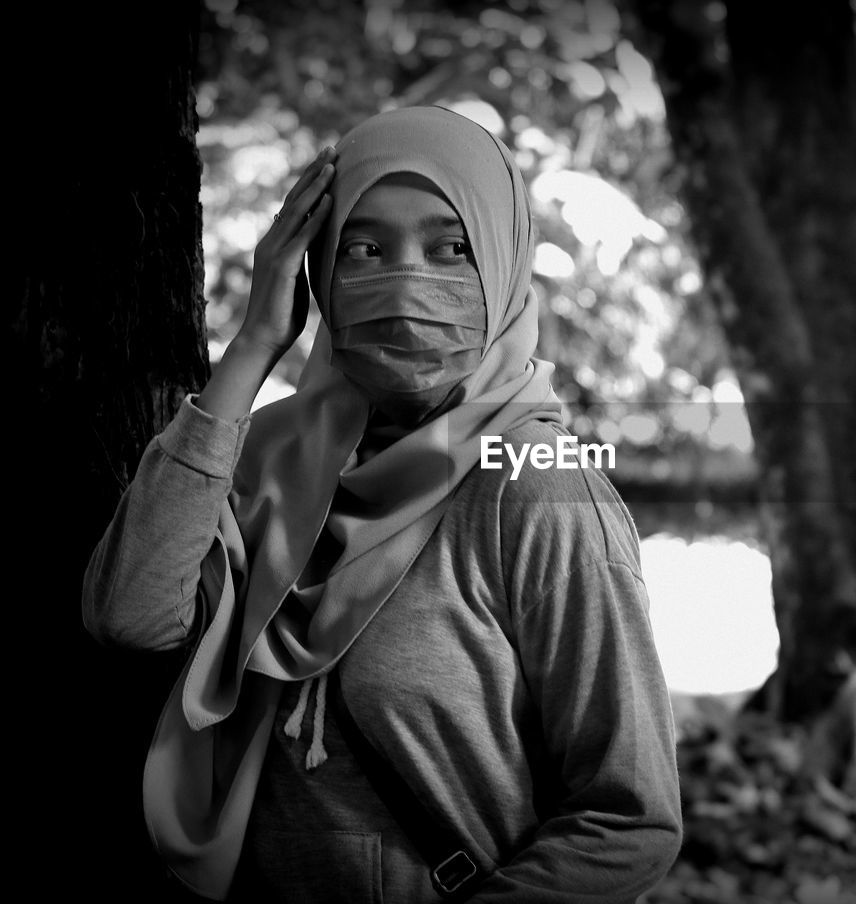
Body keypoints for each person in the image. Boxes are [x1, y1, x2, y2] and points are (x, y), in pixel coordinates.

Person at [82, 105, 683, 903]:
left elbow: (629, 819)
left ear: (504, 265)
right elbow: (128, 615)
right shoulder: (269, 457)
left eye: (452, 247)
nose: (406, 282)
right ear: (318, 270)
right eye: (363, 248)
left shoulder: (540, 490)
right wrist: (256, 345)